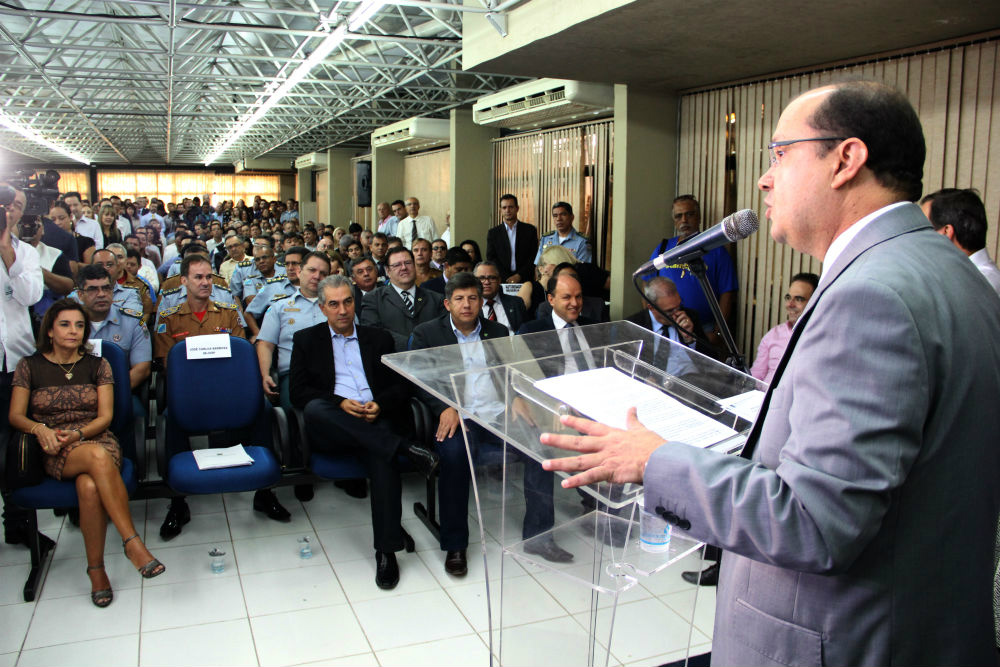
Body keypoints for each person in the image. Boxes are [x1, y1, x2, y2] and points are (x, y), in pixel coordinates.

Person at [540, 81, 1000, 665]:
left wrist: (651, 460)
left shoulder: (871, 297)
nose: (763, 178)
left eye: (780, 154)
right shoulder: (949, 268)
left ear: (846, 159)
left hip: (840, 638)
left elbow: (815, 520)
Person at [409, 272, 569, 574]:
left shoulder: (496, 331)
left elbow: (512, 372)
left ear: (482, 302)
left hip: (497, 413)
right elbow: (418, 379)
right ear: (447, 304)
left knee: (539, 446)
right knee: (456, 456)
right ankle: (455, 545)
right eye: (459, 299)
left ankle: (539, 536)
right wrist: (444, 405)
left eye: (473, 298)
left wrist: (515, 396)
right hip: (459, 415)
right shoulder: (427, 334)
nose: (467, 305)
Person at [8, 299, 165, 607]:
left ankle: (96, 571)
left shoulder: (98, 364)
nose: (74, 331)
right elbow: (16, 416)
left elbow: (105, 418)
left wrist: (79, 434)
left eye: (80, 325)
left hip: (96, 437)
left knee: (90, 483)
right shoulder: (30, 365)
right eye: (65, 325)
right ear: (50, 331)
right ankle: (131, 542)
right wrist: (41, 430)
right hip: (52, 445)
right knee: (94, 459)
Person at [289, 274, 439, 589]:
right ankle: (405, 448)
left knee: (379, 456)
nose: (342, 310)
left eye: (347, 301)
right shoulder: (306, 340)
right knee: (317, 409)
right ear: (322, 308)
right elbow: (298, 392)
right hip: (335, 426)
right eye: (334, 304)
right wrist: (339, 403)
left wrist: (379, 405)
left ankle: (386, 552)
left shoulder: (378, 339)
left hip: (375, 421)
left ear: (354, 302)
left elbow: (401, 385)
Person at [0, 183, 44, 546]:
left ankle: (16, 522)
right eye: (4, 205)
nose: (9, 211)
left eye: (15, 206)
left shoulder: (25, 253)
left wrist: (6, 251)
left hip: (16, 360)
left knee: (17, 445)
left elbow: (31, 296)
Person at [646, 195, 739, 336]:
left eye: (690, 214)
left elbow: (727, 293)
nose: (684, 220)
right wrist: (652, 322)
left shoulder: (716, 250)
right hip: (667, 328)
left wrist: (718, 332)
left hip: (704, 329)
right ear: (674, 221)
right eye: (679, 216)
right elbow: (647, 283)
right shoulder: (663, 249)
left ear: (699, 217)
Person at [256, 251, 330, 410]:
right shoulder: (280, 307)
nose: (317, 276)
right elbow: (265, 344)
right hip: (294, 375)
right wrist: (265, 375)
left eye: (323, 273)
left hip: (334, 372)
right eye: (312, 270)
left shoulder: (338, 307)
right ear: (299, 271)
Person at [76, 265, 151, 392]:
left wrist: (109, 394)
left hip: (120, 392)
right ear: (80, 294)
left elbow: (142, 369)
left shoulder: (133, 322)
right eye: (93, 289)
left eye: (106, 288)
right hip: (76, 395)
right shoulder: (68, 324)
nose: (101, 294)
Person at [360, 246, 445, 351]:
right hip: (391, 362)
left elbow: (444, 331)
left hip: (432, 361)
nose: (404, 268)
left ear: (414, 266)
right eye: (397, 265)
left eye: (408, 263)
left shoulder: (436, 299)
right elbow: (373, 333)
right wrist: (411, 344)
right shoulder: (373, 299)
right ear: (388, 271)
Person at [921, 188, 1000, 296]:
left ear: (946, 232)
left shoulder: (978, 285)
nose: (918, 238)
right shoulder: (967, 276)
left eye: (923, 229)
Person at [749, 272, 818, 383]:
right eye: (788, 297)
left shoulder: (821, 338)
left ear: (815, 302)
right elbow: (756, 376)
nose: (789, 304)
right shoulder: (773, 335)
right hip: (765, 397)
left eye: (799, 299)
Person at [486, 194, 538, 283]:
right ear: (500, 210)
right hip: (502, 280)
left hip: (525, 280)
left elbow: (533, 256)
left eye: (511, 207)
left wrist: (519, 275)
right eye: (504, 208)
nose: (507, 210)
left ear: (517, 208)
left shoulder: (530, 230)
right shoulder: (493, 233)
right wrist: (507, 277)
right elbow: (491, 258)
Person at [474, 260, 526, 334]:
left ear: (499, 280)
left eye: (492, 278)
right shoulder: (470, 306)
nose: (487, 282)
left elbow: (526, 332)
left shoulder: (516, 303)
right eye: (481, 278)